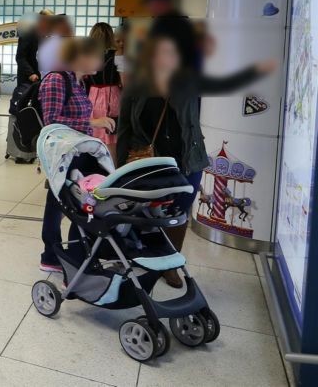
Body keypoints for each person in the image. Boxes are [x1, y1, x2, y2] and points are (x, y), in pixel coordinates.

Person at [116, 36, 275, 287]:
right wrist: (120, 167)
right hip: (148, 161)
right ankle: (136, 253)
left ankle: (170, 263)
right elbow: (124, 126)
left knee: (178, 213)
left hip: (185, 161)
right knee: (142, 211)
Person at [38, 38, 115, 273]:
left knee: (64, 203)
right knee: (68, 204)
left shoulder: (79, 82)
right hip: (64, 155)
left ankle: (60, 255)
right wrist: (93, 122)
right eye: (94, 56)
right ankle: (58, 256)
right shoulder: (56, 80)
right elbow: (51, 121)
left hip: (78, 152)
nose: (99, 62)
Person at [85, 22, 122, 160]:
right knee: (111, 138)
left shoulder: (88, 55)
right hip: (113, 95)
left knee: (94, 136)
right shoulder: (117, 55)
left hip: (92, 95)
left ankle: (94, 172)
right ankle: (113, 172)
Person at [144, 0, 200, 71]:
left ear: (163, 2)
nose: (150, 9)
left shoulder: (172, 23)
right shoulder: (163, 22)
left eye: (152, 4)